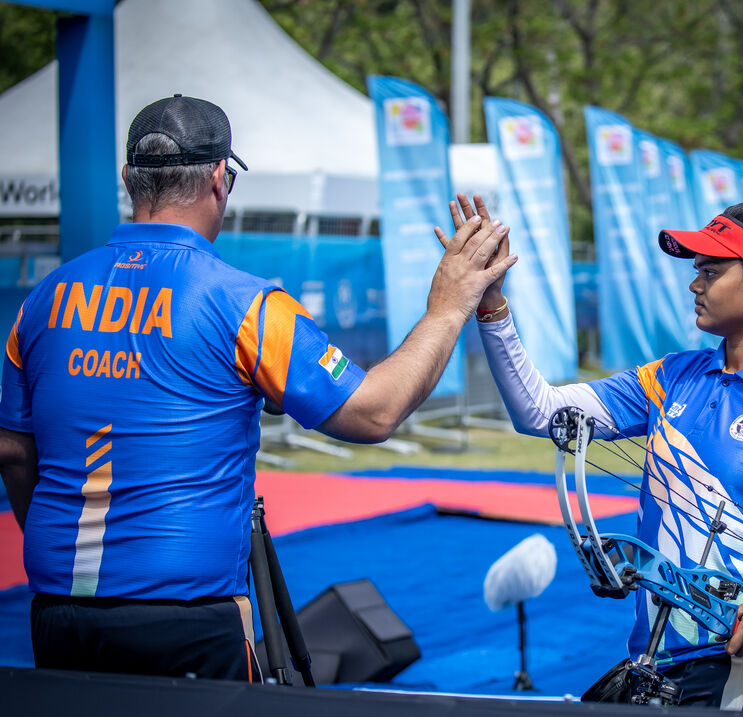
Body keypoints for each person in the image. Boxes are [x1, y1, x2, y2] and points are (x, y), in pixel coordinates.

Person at [0, 96, 513, 681]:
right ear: (220, 179)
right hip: (188, 614)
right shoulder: (243, 304)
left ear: (128, 179)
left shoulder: (42, 300)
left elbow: (14, 451)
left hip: (59, 610)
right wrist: (448, 306)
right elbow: (375, 412)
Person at [446, 195, 743, 708]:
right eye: (696, 271)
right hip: (655, 663)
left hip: (741, 673)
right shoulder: (671, 377)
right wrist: (490, 304)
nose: (695, 285)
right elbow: (542, 413)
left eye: (710, 272)